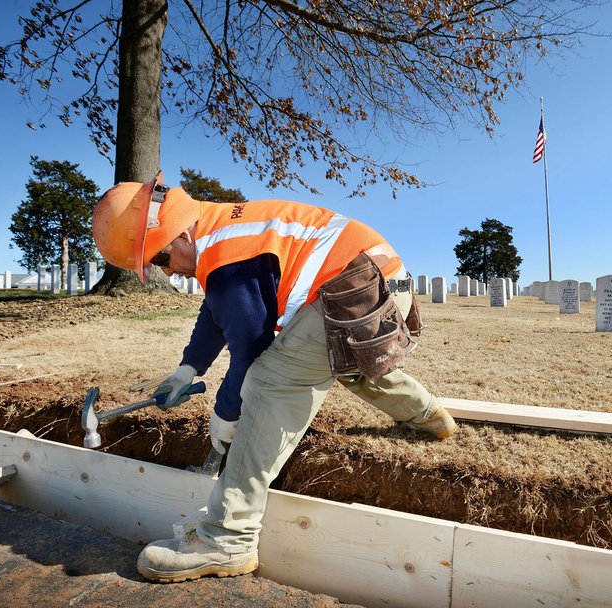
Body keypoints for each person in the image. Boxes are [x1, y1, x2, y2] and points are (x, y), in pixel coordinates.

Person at [91, 172, 458, 583]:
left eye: (159, 260)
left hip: (355, 288)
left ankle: (227, 539)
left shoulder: (228, 254)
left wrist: (227, 413)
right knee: (332, 360)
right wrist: (187, 369)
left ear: (177, 236)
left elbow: (250, 350)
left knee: (271, 383)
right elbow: (216, 306)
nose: (168, 272)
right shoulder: (217, 231)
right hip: (379, 277)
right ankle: (428, 415)